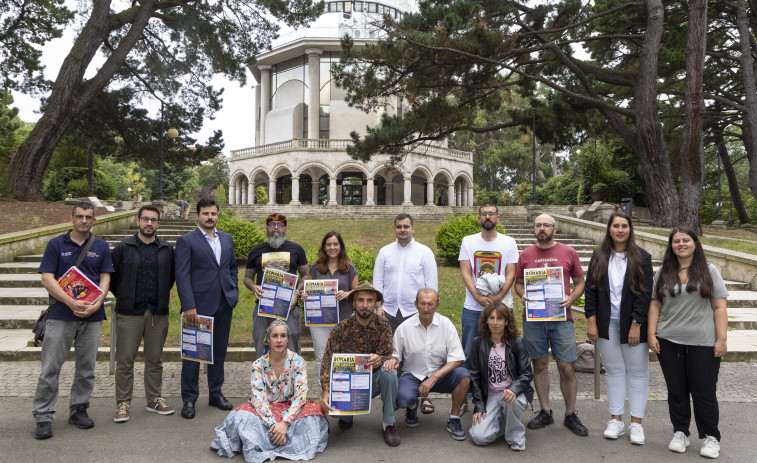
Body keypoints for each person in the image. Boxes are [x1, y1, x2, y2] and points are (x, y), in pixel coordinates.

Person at [33, 201, 114, 439]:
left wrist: (98, 303)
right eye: (79, 216)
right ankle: (43, 416)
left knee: (86, 368)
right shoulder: (56, 244)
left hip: (92, 316)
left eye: (88, 217)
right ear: (72, 218)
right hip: (60, 315)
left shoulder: (100, 246)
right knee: (50, 367)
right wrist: (70, 302)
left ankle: (79, 409)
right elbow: (47, 278)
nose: (84, 221)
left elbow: (105, 277)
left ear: (94, 220)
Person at [647, 227, 728, 459]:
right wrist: (651, 334)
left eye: (686, 240)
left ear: (695, 243)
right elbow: (655, 304)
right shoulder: (663, 271)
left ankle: (711, 437)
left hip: (703, 341)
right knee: (677, 390)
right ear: (671, 245)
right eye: (676, 241)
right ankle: (680, 432)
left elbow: (720, 306)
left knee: (704, 391)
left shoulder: (709, 270)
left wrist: (722, 339)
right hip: (669, 340)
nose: (681, 244)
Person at [211, 319, 328, 462]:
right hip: (266, 409)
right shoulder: (258, 365)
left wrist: (285, 423)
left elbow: (300, 397)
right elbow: (258, 399)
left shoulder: (298, 362)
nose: (279, 340)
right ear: (269, 339)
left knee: (313, 417)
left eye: (283, 336)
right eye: (275, 336)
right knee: (241, 417)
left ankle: (268, 441)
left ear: (287, 339)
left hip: (291, 409)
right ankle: (281, 440)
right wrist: (273, 425)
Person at [513, 213, 588, 436]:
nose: (542, 228)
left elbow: (580, 281)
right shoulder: (525, 254)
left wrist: (572, 299)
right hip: (534, 319)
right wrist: (523, 295)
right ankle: (545, 411)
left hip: (561, 319)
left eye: (546, 225)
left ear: (554, 228)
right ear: (534, 229)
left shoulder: (568, 252)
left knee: (566, 367)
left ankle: (570, 414)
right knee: (540, 364)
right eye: (538, 225)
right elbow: (518, 283)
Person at [585, 211, 653, 444]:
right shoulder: (599, 256)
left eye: (625, 226)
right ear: (609, 229)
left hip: (633, 324)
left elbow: (645, 295)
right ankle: (616, 420)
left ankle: (636, 424)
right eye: (616, 226)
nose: (620, 230)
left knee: (637, 373)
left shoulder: (642, 258)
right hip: (606, 324)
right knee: (614, 372)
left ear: (630, 229)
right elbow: (591, 290)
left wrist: (636, 324)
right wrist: (592, 321)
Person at [110, 205, 176, 423]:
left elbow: (171, 278)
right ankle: (123, 403)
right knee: (125, 359)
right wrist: (125, 295)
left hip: (157, 312)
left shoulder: (166, 249)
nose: (149, 223)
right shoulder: (123, 247)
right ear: (138, 221)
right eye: (145, 219)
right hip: (130, 312)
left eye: (154, 220)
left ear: (158, 223)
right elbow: (112, 277)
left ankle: (154, 399)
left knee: (155, 359)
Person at [175, 198, 239, 419]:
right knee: (194, 354)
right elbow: (182, 276)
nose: (210, 217)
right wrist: (189, 305)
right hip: (198, 306)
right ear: (197, 216)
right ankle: (189, 399)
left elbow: (231, 268)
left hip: (224, 303)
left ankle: (215, 393)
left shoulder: (227, 238)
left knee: (219, 351)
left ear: (217, 215)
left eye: (213, 213)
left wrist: (233, 290)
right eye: (205, 213)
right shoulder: (186, 240)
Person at [319, 281, 400, 447]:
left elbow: (387, 355)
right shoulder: (340, 329)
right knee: (337, 416)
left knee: (390, 372)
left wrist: (381, 359)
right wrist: (326, 390)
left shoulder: (383, 325)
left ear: (375, 303)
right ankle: (347, 415)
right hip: (348, 385)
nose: (365, 305)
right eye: (360, 300)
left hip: (373, 381)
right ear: (353, 303)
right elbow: (327, 361)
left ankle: (389, 424)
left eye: (370, 301)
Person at [385, 288, 471, 440]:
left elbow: (458, 358)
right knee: (402, 398)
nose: (426, 308)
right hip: (413, 375)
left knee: (464, 376)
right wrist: (392, 360)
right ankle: (411, 406)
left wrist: (435, 377)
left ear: (437, 305)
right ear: (415, 304)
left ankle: (454, 419)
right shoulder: (404, 328)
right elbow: (395, 355)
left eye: (430, 304)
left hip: (440, 375)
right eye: (422, 304)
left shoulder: (446, 325)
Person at [468, 302, 534, 451]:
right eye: (491, 318)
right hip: (490, 395)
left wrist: (514, 389)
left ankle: (516, 438)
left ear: (506, 321)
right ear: (486, 320)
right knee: (479, 437)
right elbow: (474, 375)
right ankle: (504, 424)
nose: (495, 323)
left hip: (512, 392)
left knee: (512, 401)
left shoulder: (517, 343)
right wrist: (479, 404)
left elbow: (526, 373)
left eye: (500, 319)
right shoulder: (478, 343)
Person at [459, 203, 519, 360]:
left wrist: (498, 298)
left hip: (503, 305)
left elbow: (511, 273)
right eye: (484, 214)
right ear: (479, 218)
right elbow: (465, 272)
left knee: (505, 352)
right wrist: (477, 297)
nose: (487, 217)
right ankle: (471, 385)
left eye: (491, 214)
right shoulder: (468, 241)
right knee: (470, 352)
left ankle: (504, 384)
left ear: (497, 218)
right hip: (473, 307)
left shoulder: (509, 242)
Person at [245, 213, 308, 358]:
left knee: (292, 349)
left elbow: (305, 275)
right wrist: (254, 287)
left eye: (279, 225)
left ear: (285, 228)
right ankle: (263, 379)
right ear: (266, 227)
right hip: (263, 307)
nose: (275, 228)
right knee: (261, 347)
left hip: (289, 308)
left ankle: (293, 380)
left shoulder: (296, 249)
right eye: (271, 224)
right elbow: (247, 278)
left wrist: (296, 293)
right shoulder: (256, 251)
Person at [305, 231, 358, 381]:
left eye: (335, 244)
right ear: (324, 247)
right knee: (321, 358)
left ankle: (340, 394)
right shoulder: (315, 267)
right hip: (319, 322)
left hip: (343, 320)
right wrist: (305, 296)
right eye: (328, 244)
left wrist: (347, 294)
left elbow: (357, 292)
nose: (332, 247)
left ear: (341, 247)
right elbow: (308, 290)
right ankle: (324, 395)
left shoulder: (349, 267)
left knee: (342, 358)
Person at [373, 213, 438, 333]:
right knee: (389, 350)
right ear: (394, 229)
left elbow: (431, 285)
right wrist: (378, 306)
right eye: (399, 227)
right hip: (388, 313)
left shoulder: (425, 252)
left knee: (414, 350)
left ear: (413, 228)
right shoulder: (384, 252)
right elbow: (377, 281)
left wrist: (427, 310)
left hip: (415, 312)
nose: (402, 230)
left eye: (406, 226)